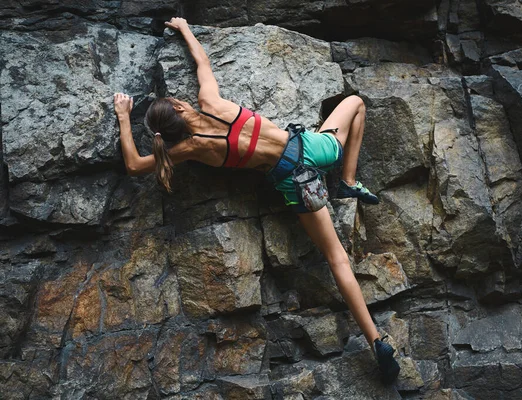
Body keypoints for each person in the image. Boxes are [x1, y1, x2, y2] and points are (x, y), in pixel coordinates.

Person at [113, 17, 400, 384]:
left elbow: (136, 165)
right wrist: (186, 30)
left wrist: (124, 117)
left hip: (294, 181)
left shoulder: (190, 150)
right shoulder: (212, 103)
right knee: (356, 102)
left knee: (336, 258)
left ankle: (375, 340)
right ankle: (346, 180)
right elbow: (202, 64)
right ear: (181, 110)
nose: (181, 99)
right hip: (313, 148)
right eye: (176, 101)